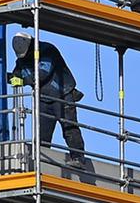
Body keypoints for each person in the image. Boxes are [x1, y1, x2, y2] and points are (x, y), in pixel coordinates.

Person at [8, 32, 86, 165]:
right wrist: (3, 77)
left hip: (62, 95)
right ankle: (42, 160)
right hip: (43, 98)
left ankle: (78, 158)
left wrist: (23, 81)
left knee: (69, 128)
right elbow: (17, 75)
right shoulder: (22, 60)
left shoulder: (47, 51)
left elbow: (43, 73)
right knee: (42, 133)